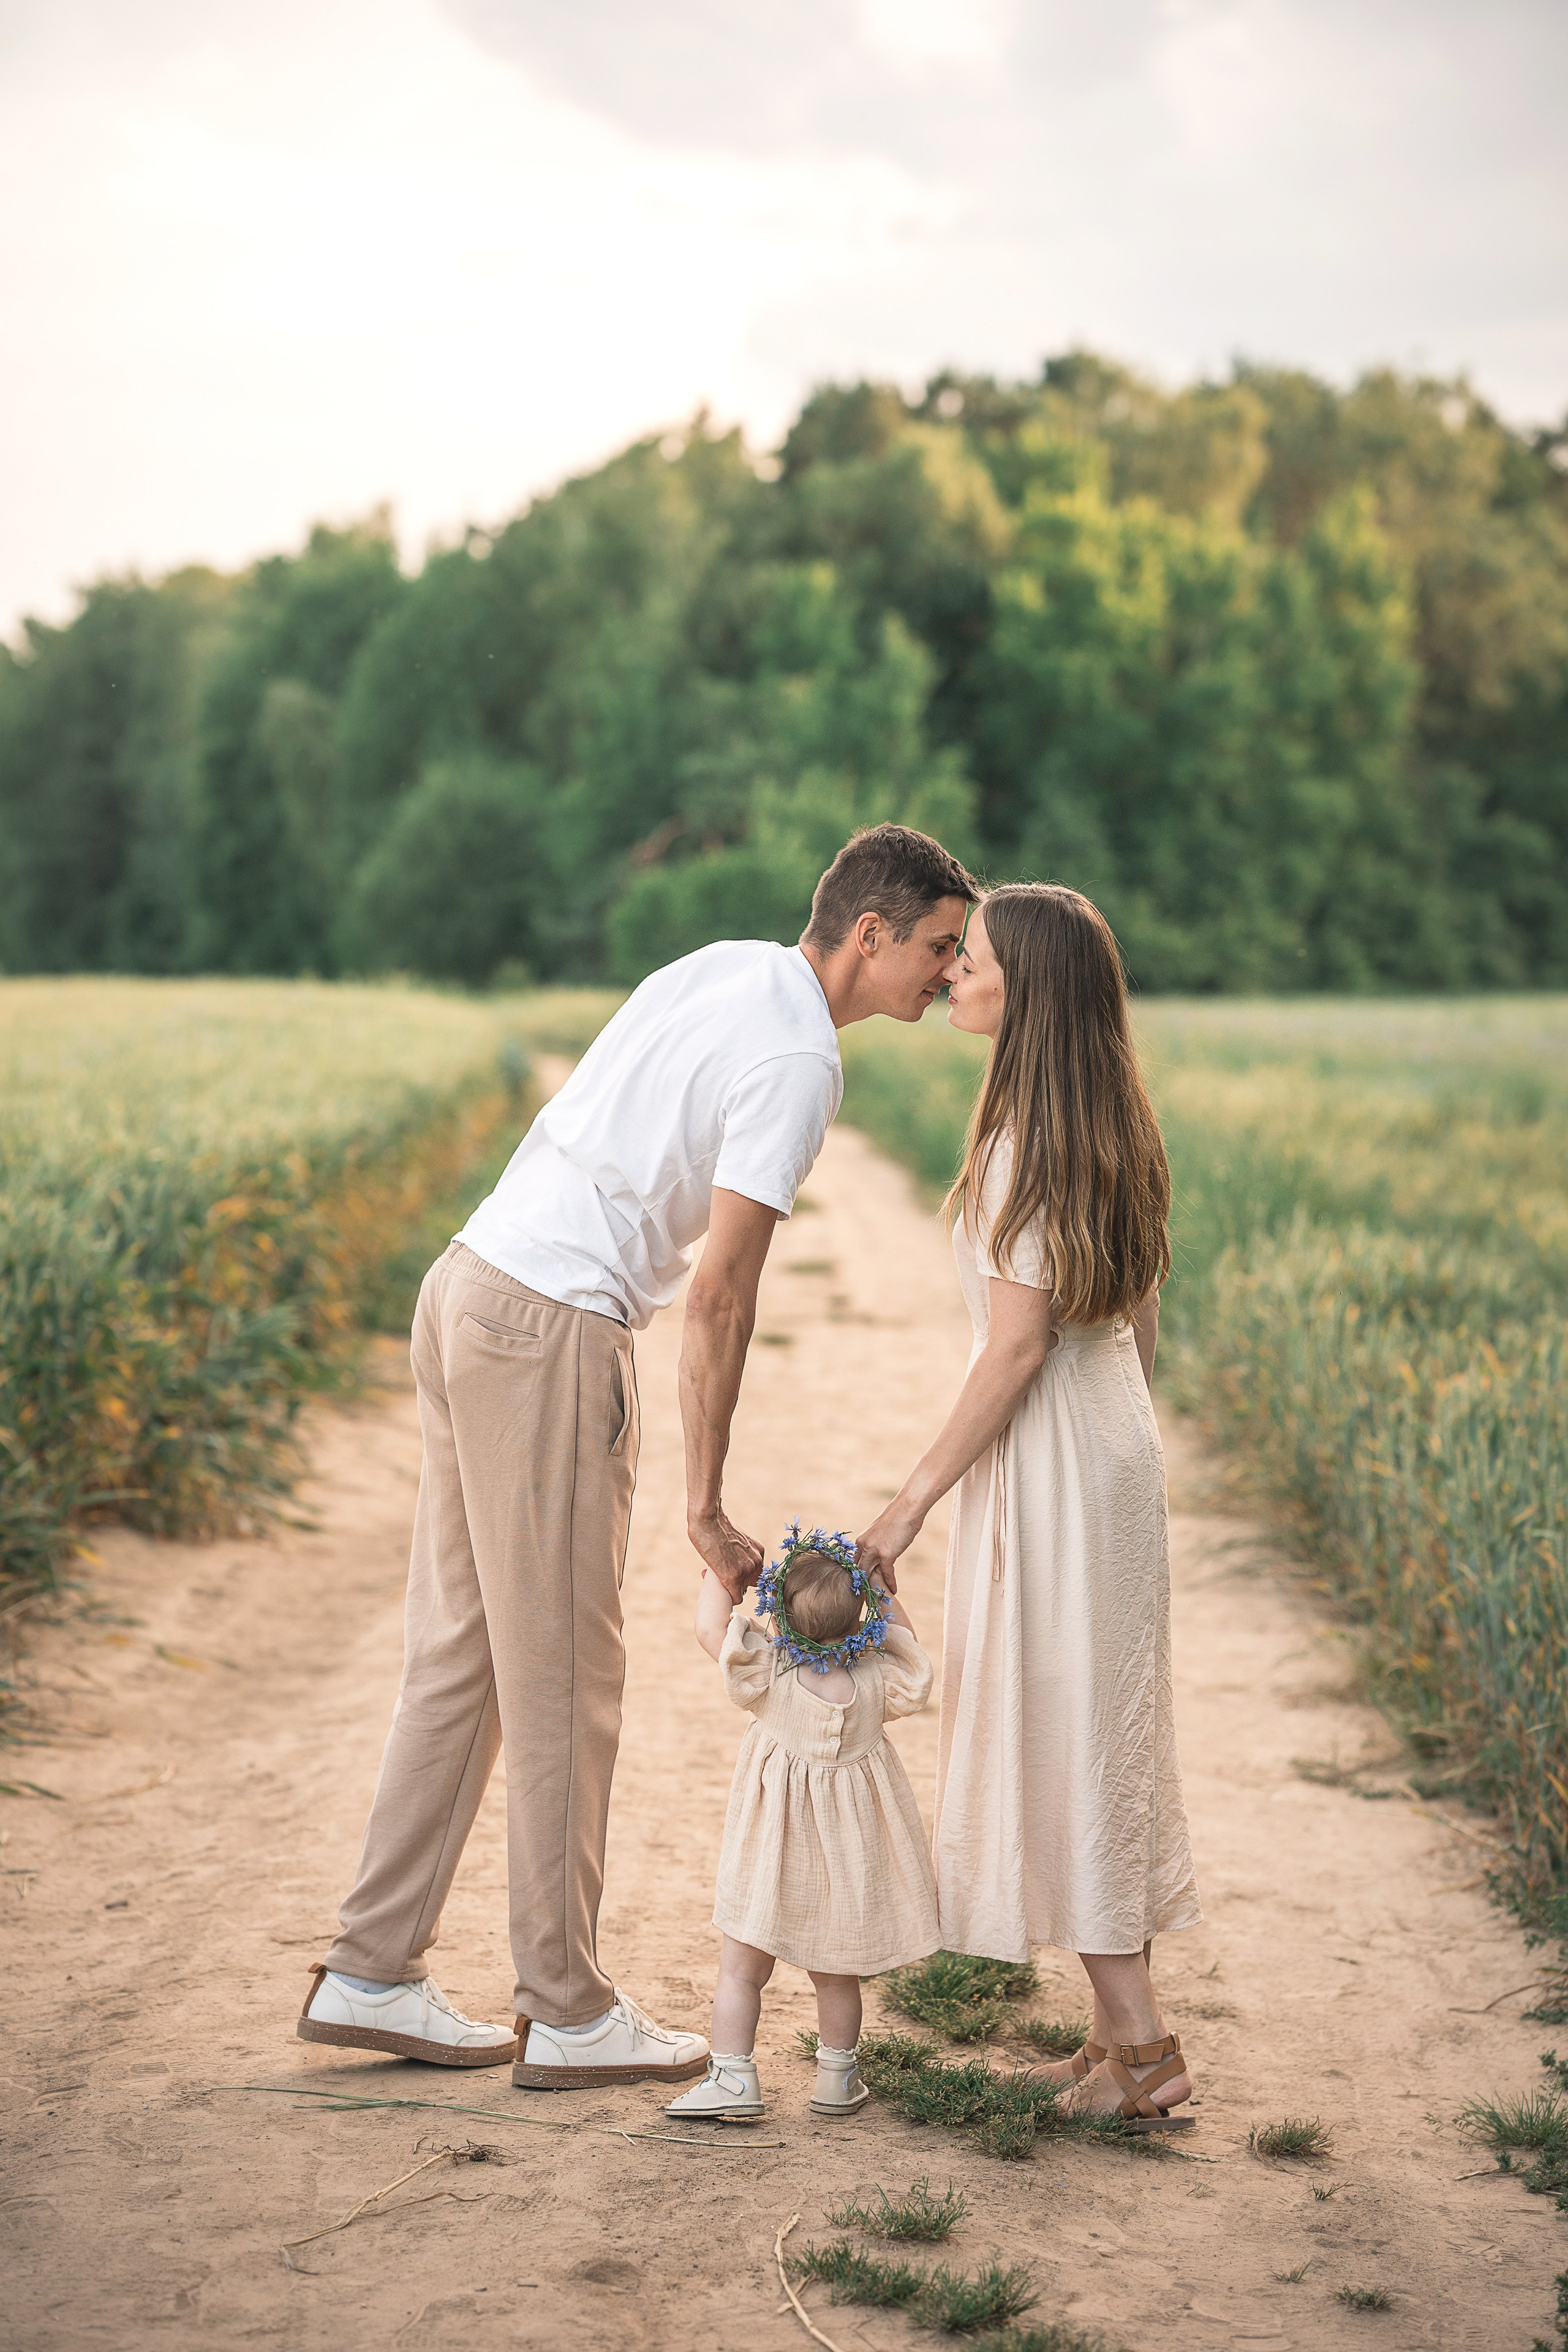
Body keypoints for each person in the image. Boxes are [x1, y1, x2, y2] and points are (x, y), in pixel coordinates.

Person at [298, 824, 976, 2085]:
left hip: (469, 1285)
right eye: (937, 947)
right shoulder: (796, 1059)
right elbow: (721, 1292)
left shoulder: (720, 967)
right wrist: (705, 1508)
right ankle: (563, 2007)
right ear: (868, 932)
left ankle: (371, 1969)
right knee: (563, 1681)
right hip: (550, 1327)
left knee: (466, 1657)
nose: (946, 973)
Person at [855, 883, 1203, 2132]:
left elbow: (1010, 1353)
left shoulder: (1019, 1144)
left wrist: (902, 1509)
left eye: (976, 961)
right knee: (1099, 1728)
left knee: (1060, 1732)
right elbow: (1135, 1317)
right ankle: (1113, 2042)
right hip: (1110, 1441)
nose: (953, 975)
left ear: (1029, 992)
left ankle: (1150, 2058)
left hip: (1055, 1448)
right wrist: (1124, 1450)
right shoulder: (1111, 1123)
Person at [666, 1528, 939, 2123]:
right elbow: (909, 1644)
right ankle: (838, 2079)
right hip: (845, 1858)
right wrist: (875, 1586)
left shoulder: (767, 1670)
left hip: (770, 1853)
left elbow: (711, 1631)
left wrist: (719, 1577)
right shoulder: (876, 1677)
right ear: (860, 1618)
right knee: (836, 1972)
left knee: (741, 1970)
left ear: (779, 1616)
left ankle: (734, 2078)